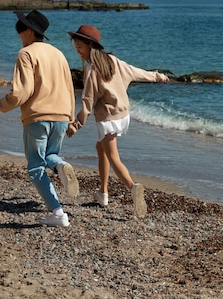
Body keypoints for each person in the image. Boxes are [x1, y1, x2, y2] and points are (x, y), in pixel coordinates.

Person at [66, 25, 169, 217]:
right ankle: (103, 193)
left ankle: (133, 187)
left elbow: (87, 101)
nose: (77, 51)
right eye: (76, 47)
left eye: (80, 47)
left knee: (114, 157)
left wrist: (76, 125)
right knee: (101, 148)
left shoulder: (91, 69)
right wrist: (157, 76)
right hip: (123, 115)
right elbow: (135, 72)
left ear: (90, 45)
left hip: (107, 119)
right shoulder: (113, 61)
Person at [0, 10, 79, 227]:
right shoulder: (59, 54)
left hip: (37, 117)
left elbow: (22, 92)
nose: (19, 33)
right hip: (61, 115)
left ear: (29, 31)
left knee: (36, 167)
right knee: (51, 155)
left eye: (20, 29)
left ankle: (58, 214)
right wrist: (71, 118)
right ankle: (61, 166)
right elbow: (70, 88)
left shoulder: (26, 54)